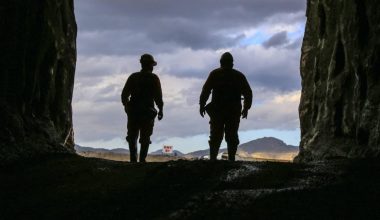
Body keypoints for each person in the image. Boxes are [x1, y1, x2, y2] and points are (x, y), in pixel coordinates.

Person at [199, 52, 252, 161]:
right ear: (232, 64)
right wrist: (246, 108)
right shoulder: (238, 76)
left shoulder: (215, 74)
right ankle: (229, 159)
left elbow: (206, 90)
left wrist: (202, 104)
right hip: (231, 111)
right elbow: (248, 93)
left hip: (220, 111)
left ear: (221, 63)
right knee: (230, 135)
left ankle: (214, 159)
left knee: (217, 135)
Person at [121, 54, 164, 162]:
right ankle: (142, 161)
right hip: (147, 113)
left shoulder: (133, 77)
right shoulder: (154, 78)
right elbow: (158, 97)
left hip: (134, 112)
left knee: (132, 136)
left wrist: (127, 107)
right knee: (145, 137)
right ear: (150, 65)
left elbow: (124, 95)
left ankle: (133, 160)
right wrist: (160, 110)